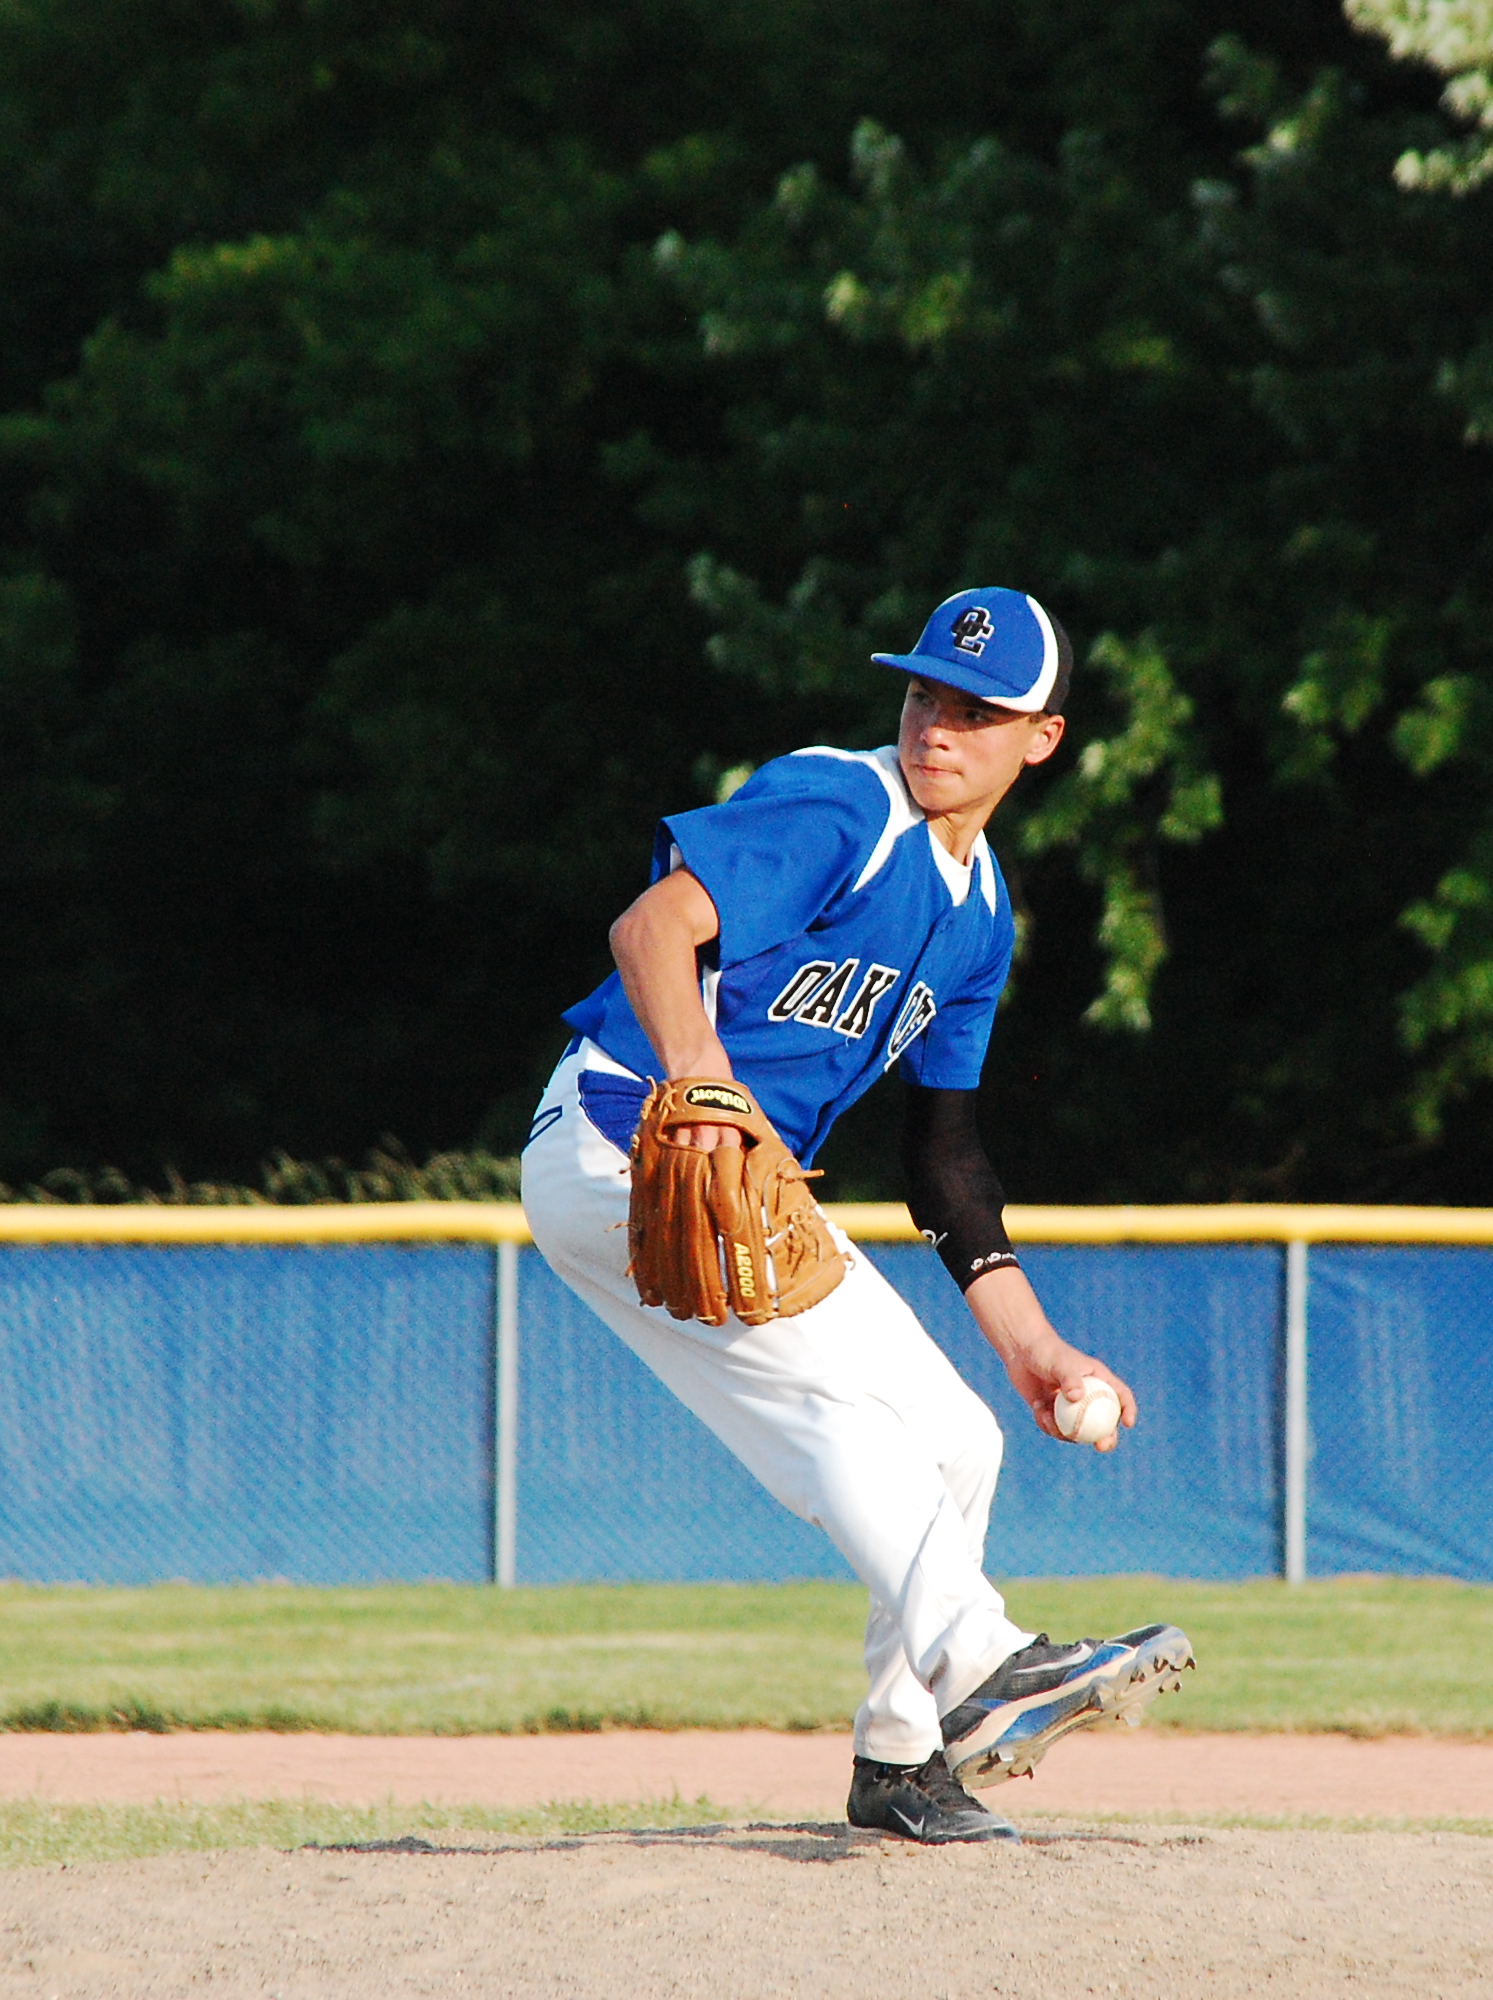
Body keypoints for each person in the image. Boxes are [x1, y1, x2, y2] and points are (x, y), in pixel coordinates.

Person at [521, 588, 1192, 1845]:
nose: (936, 725)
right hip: (627, 1146)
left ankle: (899, 1761)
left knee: (959, 1438)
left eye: (976, 711)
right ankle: (981, 1658)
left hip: (749, 1190)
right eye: (925, 691)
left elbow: (943, 1161)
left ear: (1040, 738)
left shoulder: (979, 916)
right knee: (844, 1414)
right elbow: (650, 927)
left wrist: (1032, 1345)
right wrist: (704, 1084)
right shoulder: (845, 804)